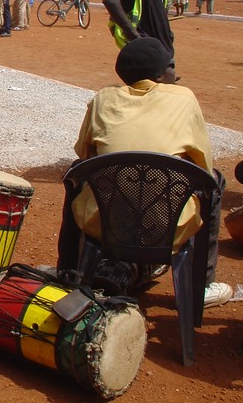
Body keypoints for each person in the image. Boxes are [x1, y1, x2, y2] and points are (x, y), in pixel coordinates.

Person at [56, 37, 231, 307]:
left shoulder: (103, 98)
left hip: (103, 225)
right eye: (172, 66)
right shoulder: (184, 98)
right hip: (169, 229)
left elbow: (84, 154)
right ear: (162, 73)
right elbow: (203, 167)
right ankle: (202, 285)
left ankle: (66, 271)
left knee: (76, 173)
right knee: (215, 181)